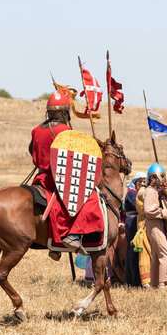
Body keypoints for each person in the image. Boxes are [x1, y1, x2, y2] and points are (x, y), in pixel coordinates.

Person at [29, 89, 103, 260]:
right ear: (64, 113)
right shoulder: (65, 132)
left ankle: (54, 245)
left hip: (40, 179)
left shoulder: (36, 130)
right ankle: (74, 236)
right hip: (58, 179)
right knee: (90, 198)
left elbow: (30, 149)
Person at [124, 172, 146, 287]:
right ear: (135, 182)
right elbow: (138, 206)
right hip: (132, 222)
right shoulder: (132, 193)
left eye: (144, 181)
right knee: (133, 250)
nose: (142, 184)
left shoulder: (138, 193)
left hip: (137, 221)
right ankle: (133, 281)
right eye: (140, 181)